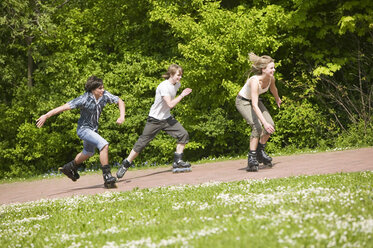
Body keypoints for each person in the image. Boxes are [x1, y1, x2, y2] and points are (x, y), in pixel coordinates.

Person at [36, 76, 125, 187]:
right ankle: (107, 177)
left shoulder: (104, 95)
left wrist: (122, 116)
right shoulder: (84, 99)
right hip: (84, 129)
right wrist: (46, 115)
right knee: (104, 145)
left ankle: (69, 167)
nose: (103, 90)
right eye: (100, 88)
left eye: (103, 87)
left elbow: (119, 101)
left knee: (89, 152)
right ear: (93, 90)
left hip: (93, 130)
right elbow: (63, 107)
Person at [117, 64, 192, 178]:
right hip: (155, 119)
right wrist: (182, 95)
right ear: (171, 74)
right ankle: (125, 164)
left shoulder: (177, 84)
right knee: (142, 143)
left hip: (166, 118)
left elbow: (169, 106)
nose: (180, 77)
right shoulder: (164, 86)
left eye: (181, 75)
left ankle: (178, 161)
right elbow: (170, 104)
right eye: (178, 75)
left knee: (183, 134)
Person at [235, 53, 282, 172]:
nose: (274, 70)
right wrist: (263, 123)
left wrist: (277, 98)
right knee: (258, 127)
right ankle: (252, 158)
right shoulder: (254, 81)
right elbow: (254, 105)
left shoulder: (271, 78)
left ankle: (260, 151)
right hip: (243, 102)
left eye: (273, 67)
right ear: (263, 69)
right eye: (271, 68)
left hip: (254, 101)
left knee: (270, 124)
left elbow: (273, 89)